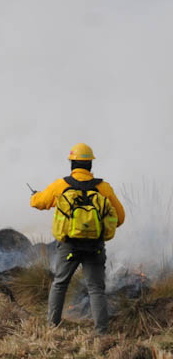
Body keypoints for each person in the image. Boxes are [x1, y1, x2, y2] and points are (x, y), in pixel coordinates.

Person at [30, 143, 124, 334]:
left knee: (60, 284)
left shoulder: (61, 185)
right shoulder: (103, 188)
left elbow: (39, 203)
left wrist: (35, 196)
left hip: (69, 246)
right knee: (96, 288)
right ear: (90, 164)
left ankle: (52, 328)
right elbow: (120, 217)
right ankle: (101, 333)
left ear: (72, 163)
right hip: (95, 246)